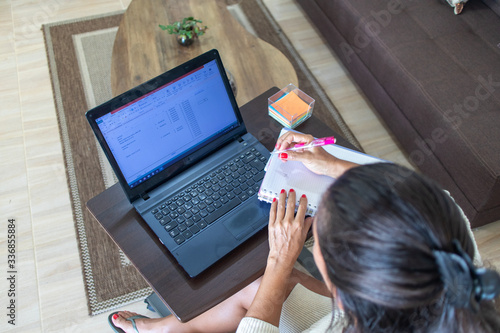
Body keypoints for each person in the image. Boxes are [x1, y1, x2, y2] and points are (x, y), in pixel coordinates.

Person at [109, 132, 500, 333]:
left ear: (341, 295)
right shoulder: (453, 238)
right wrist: (334, 166)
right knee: (258, 286)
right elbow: (427, 197)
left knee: (269, 284)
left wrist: (281, 258)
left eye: (318, 240)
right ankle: (168, 328)